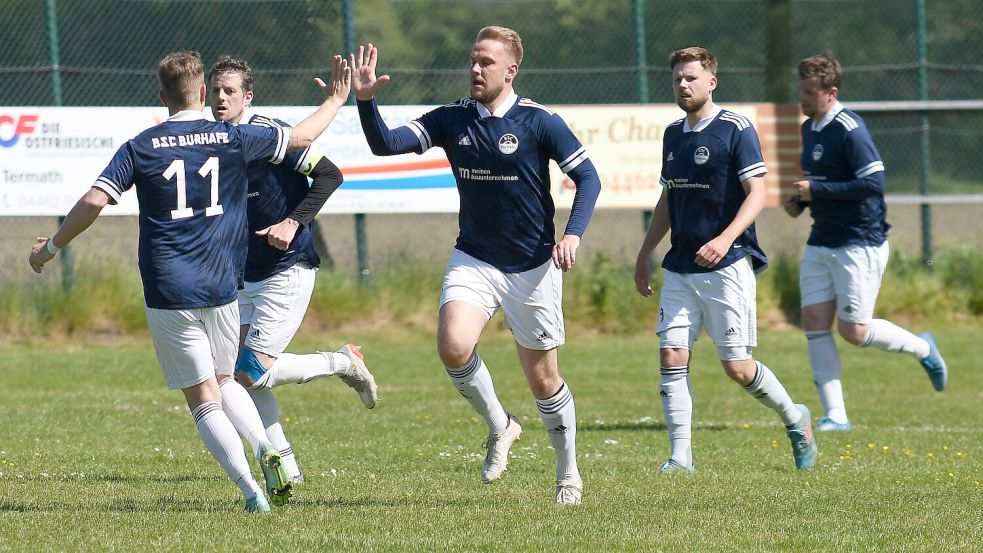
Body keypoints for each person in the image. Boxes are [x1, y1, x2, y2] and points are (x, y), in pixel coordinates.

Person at [28, 50, 351, 512]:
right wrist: (337, 101)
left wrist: (52, 247)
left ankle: (251, 492)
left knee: (203, 400)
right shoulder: (235, 136)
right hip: (224, 285)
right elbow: (302, 136)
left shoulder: (141, 146)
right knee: (227, 380)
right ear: (202, 92)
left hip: (170, 288)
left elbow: (95, 201)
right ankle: (267, 447)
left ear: (161, 96)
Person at [350, 27, 601, 504]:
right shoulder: (452, 119)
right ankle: (501, 426)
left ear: (511, 70)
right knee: (452, 345)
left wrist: (572, 234)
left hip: (532, 266)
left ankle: (568, 474)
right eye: (472, 60)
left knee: (543, 379)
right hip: (475, 257)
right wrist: (366, 102)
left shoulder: (540, 122)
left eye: (486, 62)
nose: (475, 69)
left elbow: (587, 178)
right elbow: (386, 144)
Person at [634, 46, 818, 472]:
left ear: (711, 81)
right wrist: (646, 252)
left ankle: (795, 418)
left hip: (727, 262)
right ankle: (680, 458)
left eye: (691, 77)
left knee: (736, 366)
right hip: (680, 265)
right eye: (678, 77)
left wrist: (725, 237)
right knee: (671, 354)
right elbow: (668, 198)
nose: (683, 84)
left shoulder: (736, 128)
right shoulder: (673, 134)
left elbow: (758, 193)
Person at [208, 56, 379, 486]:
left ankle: (341, 362)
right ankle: (288, 467)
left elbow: (329, 174)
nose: (221, 98)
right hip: (243, 274)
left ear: (247, 97)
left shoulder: (268, 136)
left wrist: (292, 221)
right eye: (215, 91)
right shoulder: (214, 142)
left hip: (288, 267)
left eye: (230, 91)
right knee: (237, 376)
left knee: (248, 372)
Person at [783, 52, 948, 432]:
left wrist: (816, 190)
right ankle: (835, 416)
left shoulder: (850, 128)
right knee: (814, 321)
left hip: (859, 241)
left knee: (853, 332)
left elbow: (873, 184)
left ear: (831, 91)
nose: (803, 99)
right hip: (822, 239)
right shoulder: (811, 128)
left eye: (810, 92)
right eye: (801, 91)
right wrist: (802, 202)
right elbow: (825, 186)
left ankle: (924, 348)